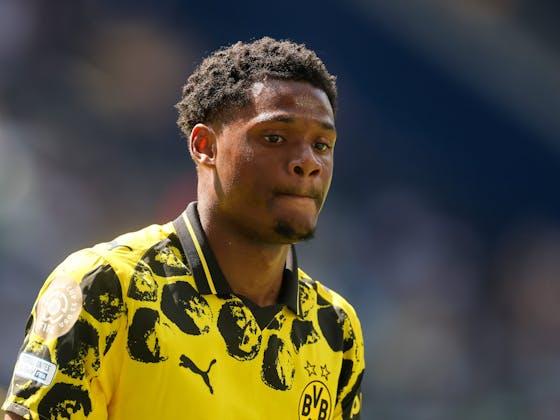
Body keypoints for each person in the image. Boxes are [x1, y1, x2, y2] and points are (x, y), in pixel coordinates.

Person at [2, 37, 364, 420]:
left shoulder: (335, 327)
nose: (307, 162)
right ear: (205, 146)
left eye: (322, 145)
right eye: (274, 138)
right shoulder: (107, 287)